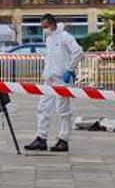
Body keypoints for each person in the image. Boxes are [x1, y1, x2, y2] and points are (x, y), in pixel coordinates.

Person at [24, 14, 84, 152]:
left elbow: (78, 52)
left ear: (52, 24)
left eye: (45, 27)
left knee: (63, 111)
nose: (44, 30)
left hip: (62, 80)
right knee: (43, 109)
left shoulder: (65, 37)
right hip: (49, 80)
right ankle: (41, 138)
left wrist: (69, 69)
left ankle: (63, 140)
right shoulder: (49, 39)